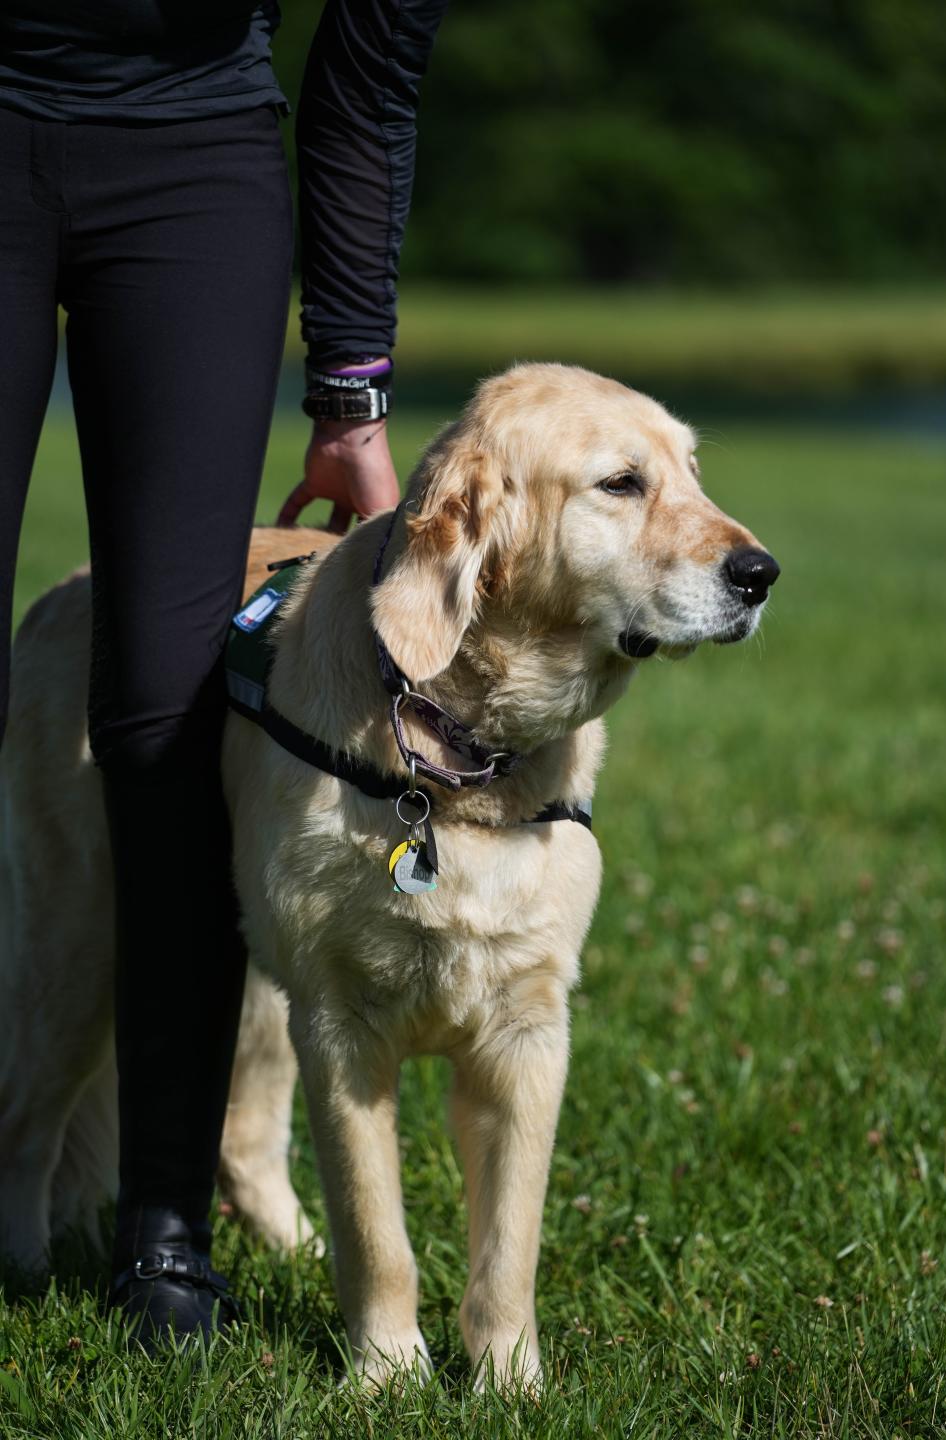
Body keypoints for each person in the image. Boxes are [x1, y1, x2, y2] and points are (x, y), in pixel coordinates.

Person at [0, 0, 448, 1342]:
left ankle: (164, 1239)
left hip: (194, 153)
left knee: (164, 713)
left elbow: (368, 73)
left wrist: (351, 388)